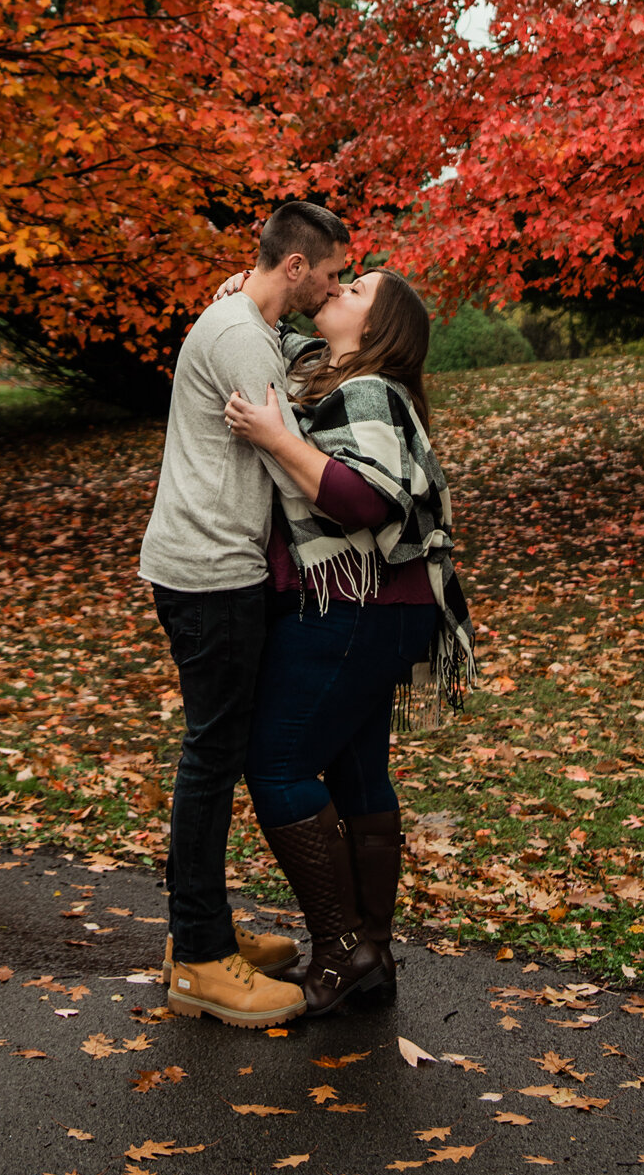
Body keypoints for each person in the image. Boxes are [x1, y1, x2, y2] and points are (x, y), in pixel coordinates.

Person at [223, 267, 476, 1016]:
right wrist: (246, 294)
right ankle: (370, 954)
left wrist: (274, 437)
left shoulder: (368, 391)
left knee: (277, 767)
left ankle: (340, 948)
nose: (339, 292)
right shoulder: (328, 371)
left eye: (356, 291)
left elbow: (366, 497)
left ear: (378, 329)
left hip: (355, 606)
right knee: (358, 776)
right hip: (384, 604)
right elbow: (282, 336)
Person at [139, 199, 351, 1028]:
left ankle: (201, 931)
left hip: (213, 567)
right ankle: (197, 958)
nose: (334, 286)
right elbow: (289, 441)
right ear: (294, 266)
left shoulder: (247, 325)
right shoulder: (236, 334)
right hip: (209, 574)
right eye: (330, 272)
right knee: (210, 759)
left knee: (215, 754)